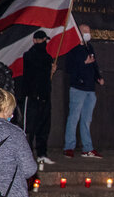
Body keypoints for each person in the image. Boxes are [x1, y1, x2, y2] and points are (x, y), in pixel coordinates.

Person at [63, 24, 104, 159]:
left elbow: (94, 64)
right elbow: (68, 67)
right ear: (79, 33)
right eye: (86, 31)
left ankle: (87, 148)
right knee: (73, 118)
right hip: (78, 88)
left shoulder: (89, 47)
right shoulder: (73, 48)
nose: (88, 33)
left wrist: (98, 77)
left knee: (86, 120)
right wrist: (83, 63)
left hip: (90, 89)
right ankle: (69, 147)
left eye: (89, 31)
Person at [22, 30, 57, 165]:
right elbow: (34, 74)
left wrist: (51, 70)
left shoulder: (47, 57)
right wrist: (48, 67)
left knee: (44, 127)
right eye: (42, 40)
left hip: (44, 96)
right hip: (32, 97)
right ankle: (27, 154)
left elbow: (44, 79)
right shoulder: (30, 55)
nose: (44, 43)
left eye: (44, 41)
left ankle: (42, 154)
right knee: (30, 128)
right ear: (35, 40)